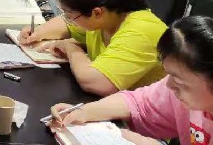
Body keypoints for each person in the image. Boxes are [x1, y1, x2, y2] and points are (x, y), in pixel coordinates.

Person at [49, 16, 213, 145]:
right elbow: (139, 103)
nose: (169, 85)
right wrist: (84, 112)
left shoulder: (141, 29)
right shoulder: (179, 86)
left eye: (180, 82)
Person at [26, 0, 166, 95]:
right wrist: (37, 32)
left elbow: (96, 82)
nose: (69, 20)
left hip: (150, 113)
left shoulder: (139, 31)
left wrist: (72, 48)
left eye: (70, 16)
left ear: (97, 13)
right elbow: (66, 25)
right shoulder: (103, 12)